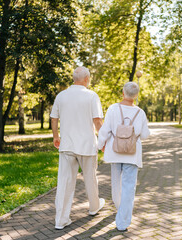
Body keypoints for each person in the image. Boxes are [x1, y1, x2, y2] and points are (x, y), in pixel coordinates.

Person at [50, 66, 105, 230]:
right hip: (87, 145)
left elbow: (54, 118)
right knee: (90, 178)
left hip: (67, 145)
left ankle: (61, 220)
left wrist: (55, 136)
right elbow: (97, 121)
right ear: (87, 79)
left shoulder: (62, 96)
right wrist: (104, 140)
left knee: (65, 182)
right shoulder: (91, 96)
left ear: (74, 79)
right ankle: (94, 207)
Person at [98, 82, 150, 231]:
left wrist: (99, 145)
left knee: (116, 186)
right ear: (136, 95)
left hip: (115, 152)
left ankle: (121, 210)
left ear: (123, 92)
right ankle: (123, 221)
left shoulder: (113, 108)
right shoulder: (140, 112)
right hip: (132, 154)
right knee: (128, 188)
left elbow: (105, 130)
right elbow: (145, 135)